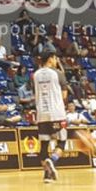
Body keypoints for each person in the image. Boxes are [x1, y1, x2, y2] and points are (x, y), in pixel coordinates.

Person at [33, 51, 69, 183]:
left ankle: (47, 175)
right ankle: (52, 160)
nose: (56, 61)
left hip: (41, 114)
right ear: (50, 59)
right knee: (62, 142)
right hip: (56, 113)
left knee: (44, 145)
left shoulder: (35, 75)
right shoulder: (58, 73)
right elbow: (64, 95)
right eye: (55, 58)